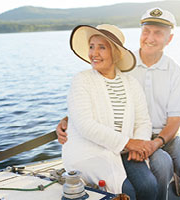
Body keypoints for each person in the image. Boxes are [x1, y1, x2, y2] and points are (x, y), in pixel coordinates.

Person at [57, 8, 180, 200]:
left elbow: (174, 121)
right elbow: (90, 105)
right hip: (130, 140)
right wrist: (67, 120)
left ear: (169, 39)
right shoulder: (123, 65)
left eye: (158, 33)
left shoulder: (174, 71)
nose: (150, 38)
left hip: (166, 137)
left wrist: (150, 144)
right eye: (146, 31)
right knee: (161, 165)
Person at [63, 24, 158, 200]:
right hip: (90, 153)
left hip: (124, 151)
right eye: (91, 47)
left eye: (101, 47)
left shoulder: (131, 83)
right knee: (125, 191)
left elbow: (143, 121)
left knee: (149, 185)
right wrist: (129, 142)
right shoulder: (81, 80)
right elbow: (85, 125)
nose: (93, 53)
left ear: (116, 53)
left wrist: (140, 146)